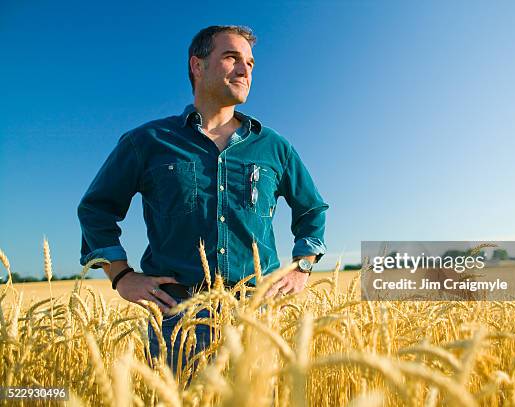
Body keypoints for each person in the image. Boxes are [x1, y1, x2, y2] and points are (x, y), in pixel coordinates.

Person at [77, 25, 329, 373]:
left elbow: (312, 209)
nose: (245, 69)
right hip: (177, 316)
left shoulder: (274, 147)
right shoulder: (148, 141)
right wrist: (121, 276)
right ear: (197, 66)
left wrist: (302, 267)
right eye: (232, 58)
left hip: (259, 315)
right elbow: (96, 209)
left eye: (251, 63)